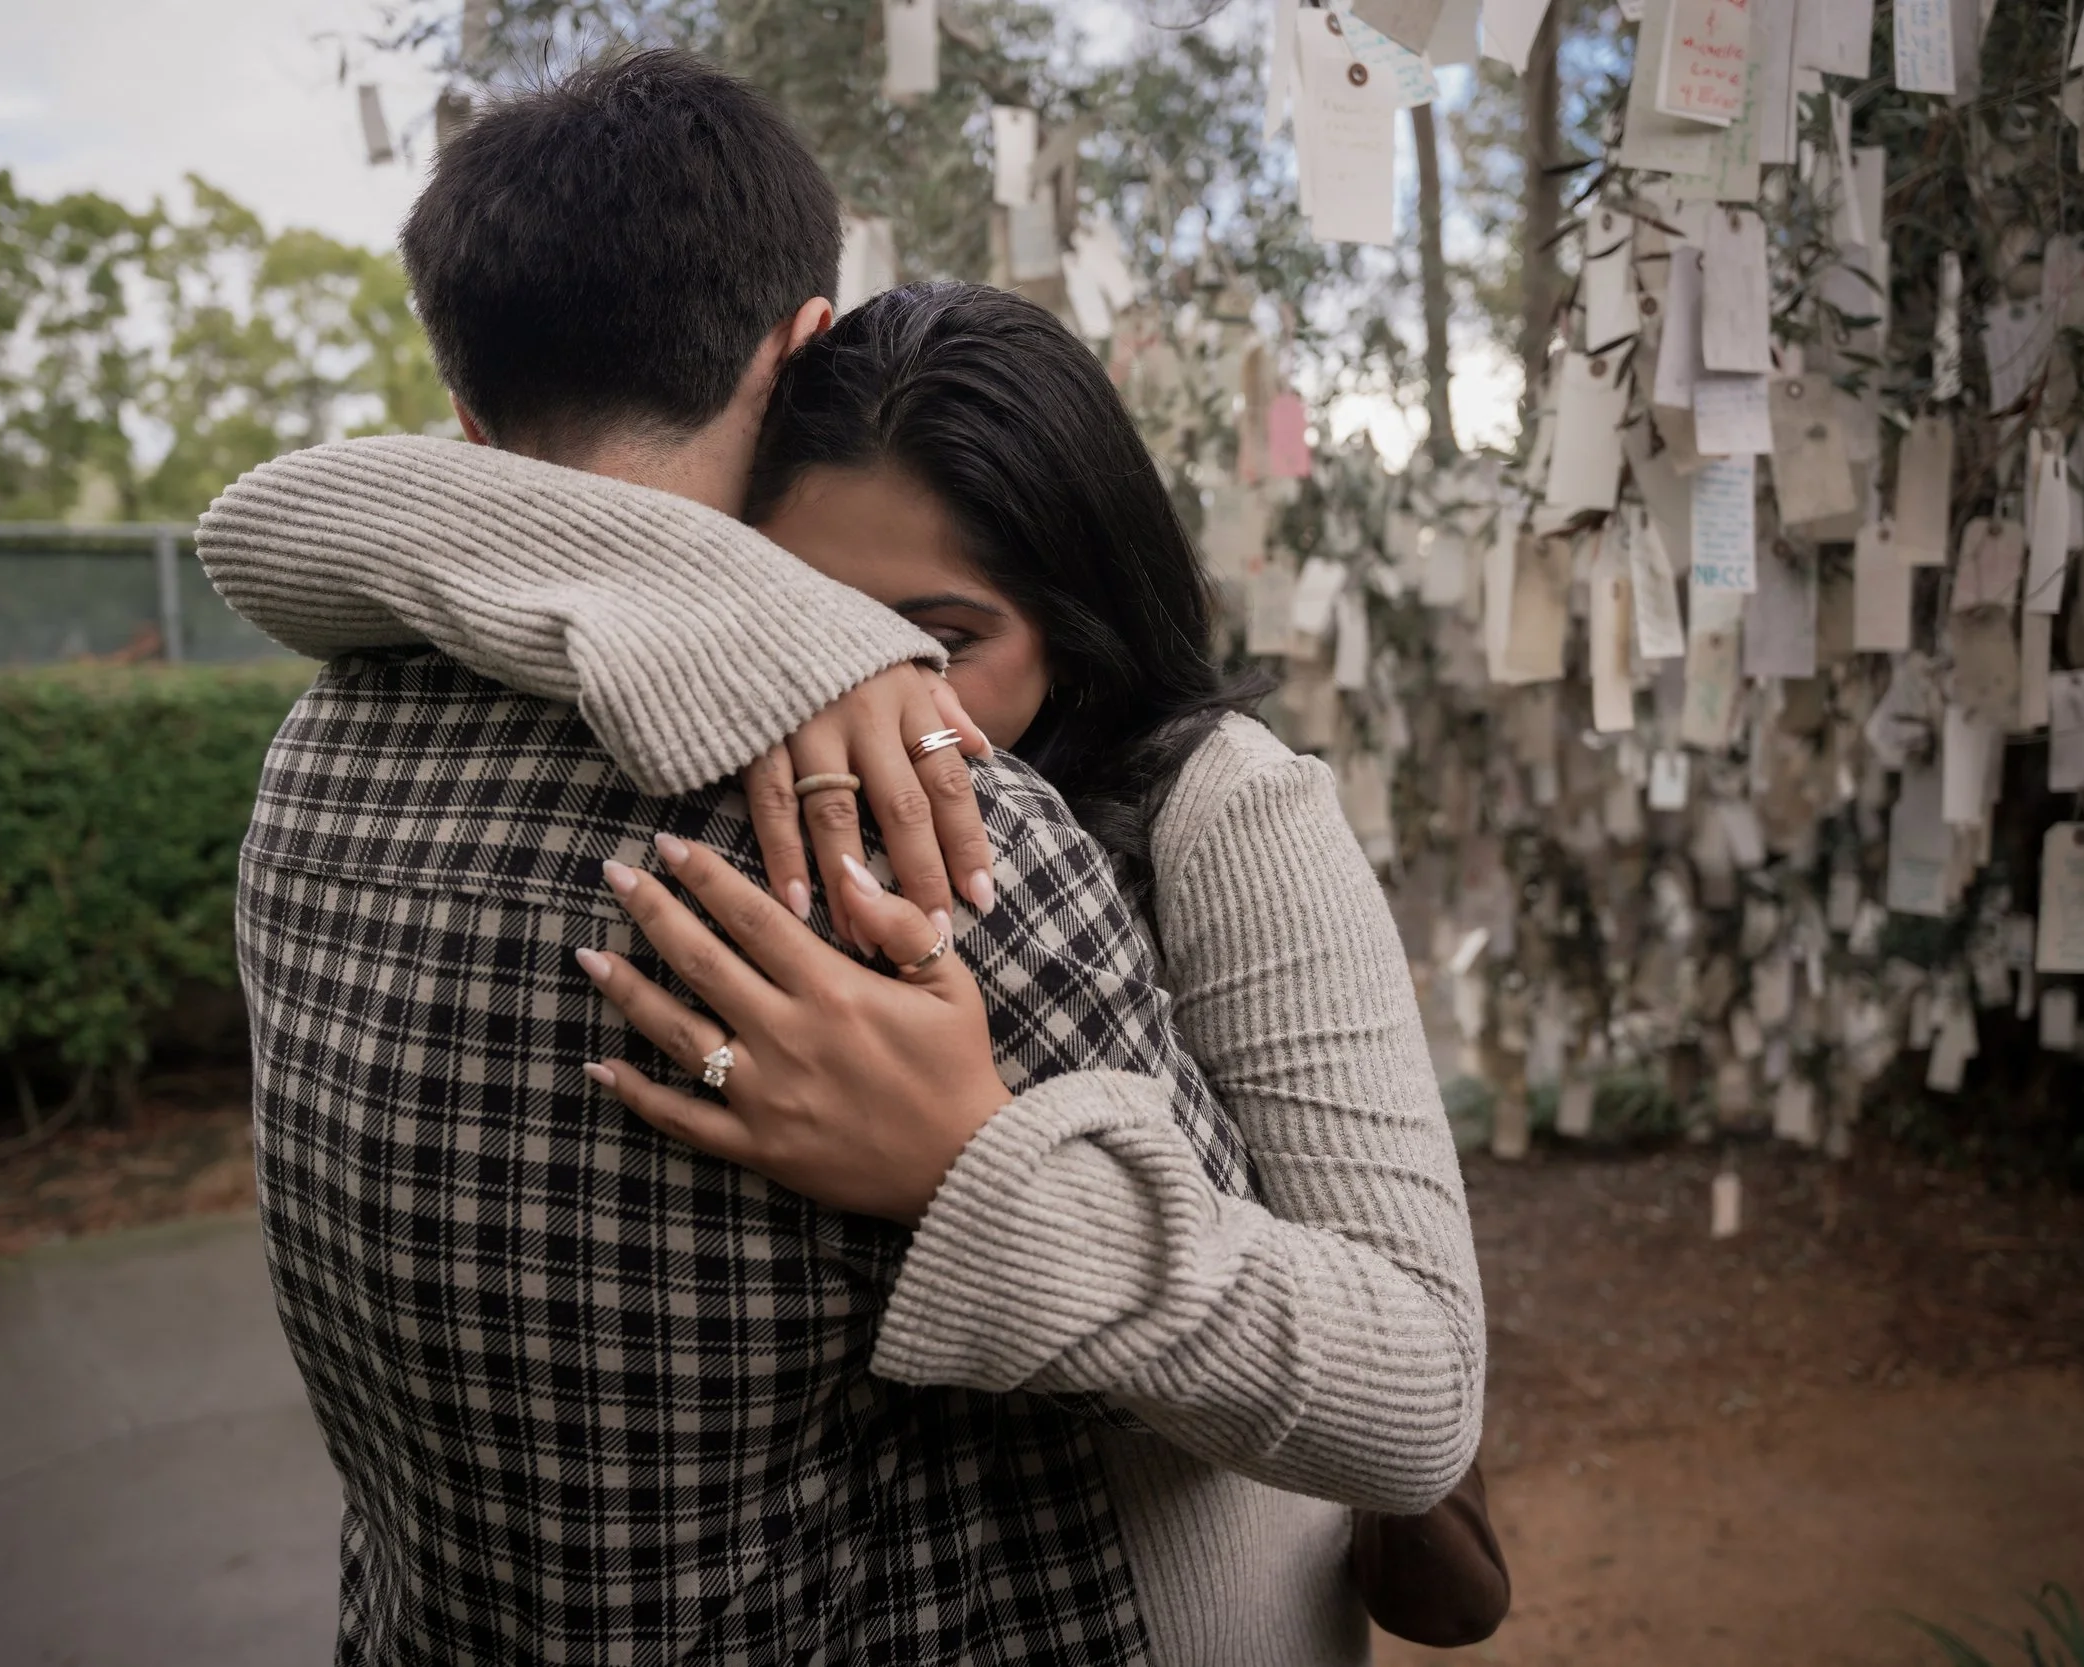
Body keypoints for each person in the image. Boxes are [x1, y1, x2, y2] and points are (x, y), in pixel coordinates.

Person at [204, 252, 1490, 1666]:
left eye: (941, 641)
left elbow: (1421, 1388)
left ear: (1080, 616)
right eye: (810, 614)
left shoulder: (1224, 807)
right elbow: (280, 523)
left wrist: (970, 1167)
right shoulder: (765, 741)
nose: (886, 698)